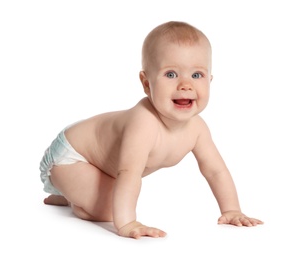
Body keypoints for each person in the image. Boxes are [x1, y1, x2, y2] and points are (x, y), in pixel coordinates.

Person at [40, 21, 263, 239]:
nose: (185, 85)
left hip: (102, 168)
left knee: (110, 200)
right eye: (171, 74)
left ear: (210, 80)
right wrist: (127, 223)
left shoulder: (198, 128)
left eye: (197, 75)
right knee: (108, 211)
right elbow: (128, 173)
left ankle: (72, 194)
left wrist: (231, 210)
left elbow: (216, 171)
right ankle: (69, 193)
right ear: (147, 83)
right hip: (72, 157)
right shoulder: (143, 123)